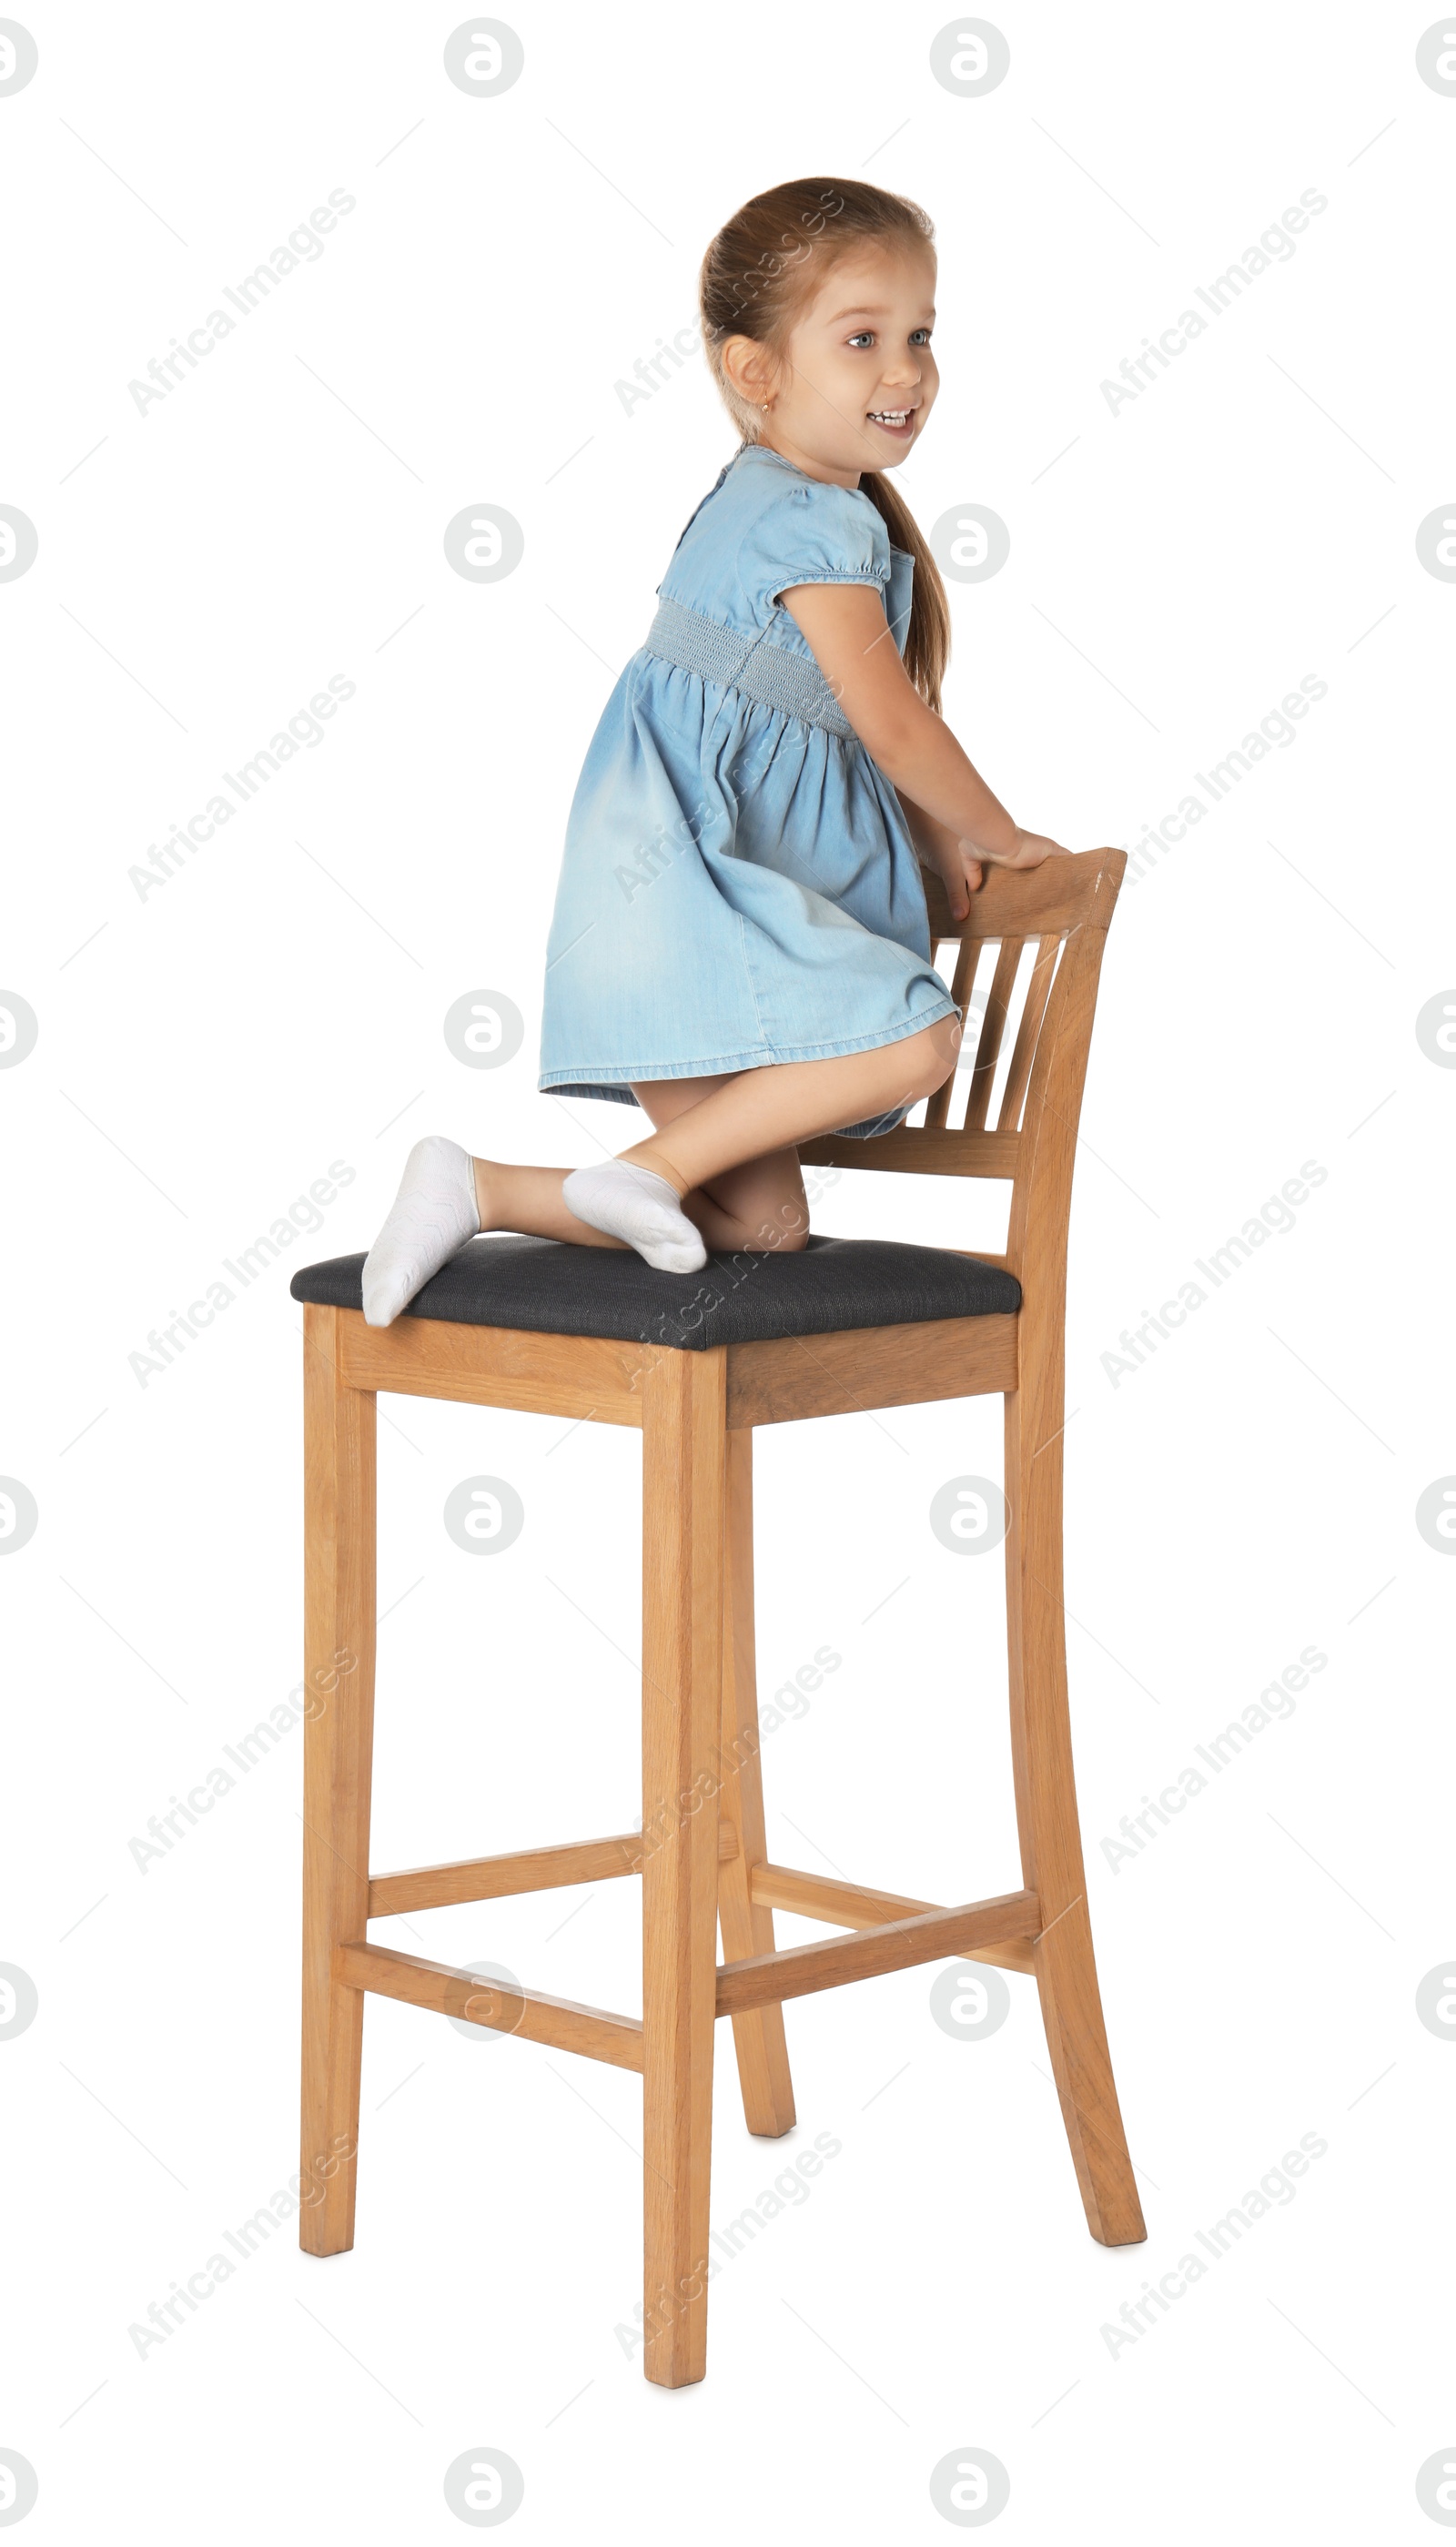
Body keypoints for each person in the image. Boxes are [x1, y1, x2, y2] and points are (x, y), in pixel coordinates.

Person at [362, 175, 1067, 1326]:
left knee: (763, 1229)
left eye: (921, 336)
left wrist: (938, 841)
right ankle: (648, 1171)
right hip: (690, 906)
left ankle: (479, 1184)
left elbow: (854, 719)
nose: (907, 371)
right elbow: (893, 724)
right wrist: (1001, 832)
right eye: (863, 339)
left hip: (656, 916)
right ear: (756, 370)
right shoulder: (809, 517)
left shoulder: (770, 501)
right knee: (922, 1036)